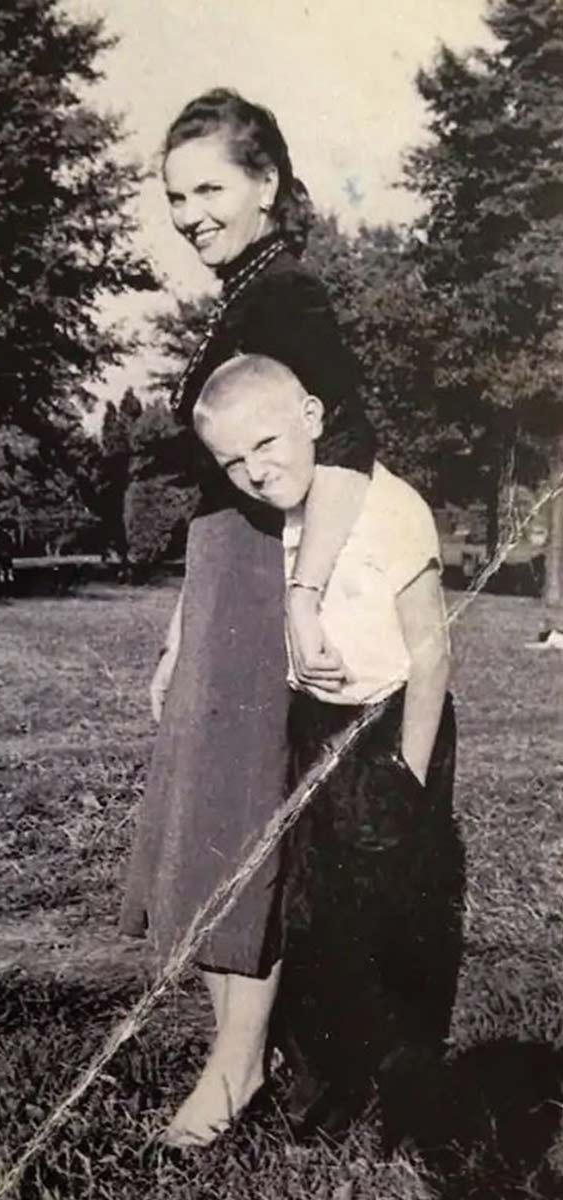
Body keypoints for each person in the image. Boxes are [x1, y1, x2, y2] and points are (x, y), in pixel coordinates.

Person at [119, 88, 376, 1147]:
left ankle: (237, 1068)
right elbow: (224, 484)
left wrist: (305, 598)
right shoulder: (246, 297)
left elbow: (348, 452)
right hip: (224, 579)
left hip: (266, 583)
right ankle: (241, 1055)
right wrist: (186, 623)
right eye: (175, 196)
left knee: (236, 827)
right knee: (209, 819)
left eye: (209, 188)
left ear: (266, 183)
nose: (187, 213)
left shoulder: (286, 301)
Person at [193, 354, 466, 1143]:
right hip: (317, 726)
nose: (254, 470)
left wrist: (410, 776)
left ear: (314, 417)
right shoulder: (277, 516)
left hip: (393, 729)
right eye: (233, 461)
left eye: (267, 445)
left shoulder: (386, 506)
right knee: (310, 910)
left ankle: (410, 1089)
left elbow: (432, 653)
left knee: (398, 908)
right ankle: (320, 1087)